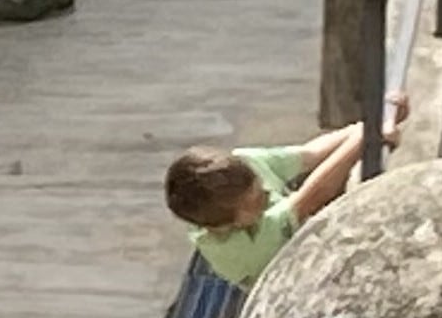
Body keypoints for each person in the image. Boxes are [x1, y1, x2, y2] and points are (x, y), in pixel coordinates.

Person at [167, 104, 403, 287]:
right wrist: (368, 135)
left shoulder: (245, 163)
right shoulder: (240, 249)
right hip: (298, 281)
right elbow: (313, 196)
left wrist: (372, 121)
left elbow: (310, 154)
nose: (267, 194)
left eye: (259, 185)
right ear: (227, 225)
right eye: (256, 201)